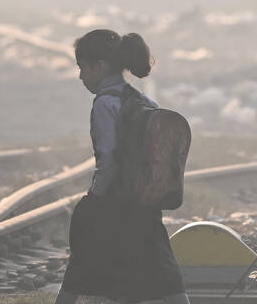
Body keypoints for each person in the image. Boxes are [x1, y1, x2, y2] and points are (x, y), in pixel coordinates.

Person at [56, 30, 189, 304]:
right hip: (145, 206)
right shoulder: (145, 102)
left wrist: (95, 197)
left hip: (114, 205)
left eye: (83, 67)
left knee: (81, 267)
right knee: (162, 274)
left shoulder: (106, 104)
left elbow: (107, 159)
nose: (81, 76)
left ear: (100, 66)